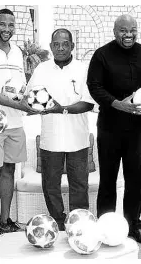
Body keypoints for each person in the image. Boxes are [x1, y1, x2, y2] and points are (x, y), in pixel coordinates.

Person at [86, 14, 141, 246]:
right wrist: (119, 104)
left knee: (134, 180)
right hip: (110, 127)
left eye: (132, 30)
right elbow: (95, 86)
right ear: (114, 31)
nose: (128, 35)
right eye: (123, 30)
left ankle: (133, 226)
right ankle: (104, 227)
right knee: (108, 180)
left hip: (137, 128)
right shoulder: (102, 55)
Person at [0, 8, 37, 244]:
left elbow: (22, 86)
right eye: (3, 25)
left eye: (11, 25)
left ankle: (5, 220)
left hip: (15, 123)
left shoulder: (18, 52)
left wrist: (27, 100)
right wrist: (21, 106)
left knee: (10, 170)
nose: (7, 30)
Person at [27, 28, 95, 230]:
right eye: (56, 44)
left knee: (79, 185)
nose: (60, 48)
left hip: (78, 138)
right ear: (50, 47)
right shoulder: (42, 69)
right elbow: (30, 97)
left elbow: (89, 103)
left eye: (65, 44)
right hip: (51, 138)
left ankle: (78, 225)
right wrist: (33, 106)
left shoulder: (83, 69)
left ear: (72, 46)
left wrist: (61, 109)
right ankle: (58, 221)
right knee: (50, 185)